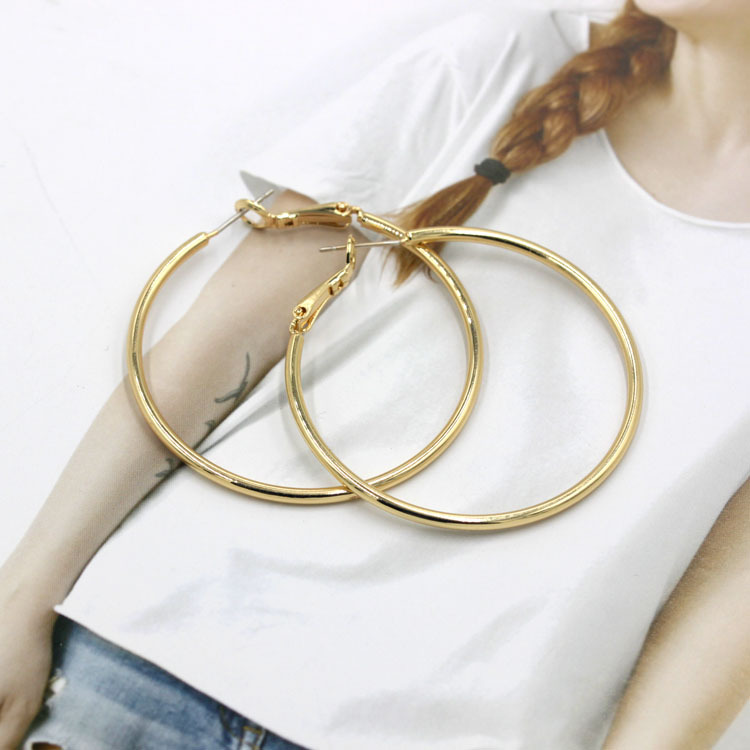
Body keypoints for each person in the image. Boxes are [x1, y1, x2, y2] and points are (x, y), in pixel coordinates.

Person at [1, 1, 749, 748]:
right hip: (147, 662)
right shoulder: (501, 58)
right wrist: (23, 595)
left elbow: (731, 602)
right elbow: (222, 337)